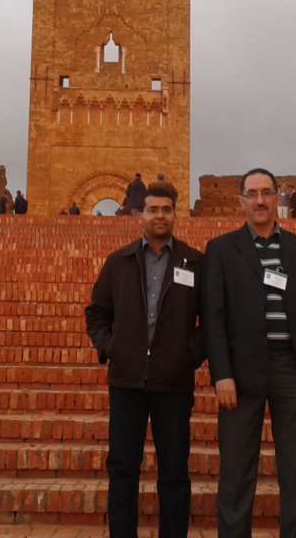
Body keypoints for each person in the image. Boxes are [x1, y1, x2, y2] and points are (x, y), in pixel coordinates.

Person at [202, 167, 296, 538]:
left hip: (293, 369)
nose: (259, 200)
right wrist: (222, 373)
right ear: (241, 201)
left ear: (277, 198)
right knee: (236, 470)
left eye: (266, 193)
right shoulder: (222, 250)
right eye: (252, 194)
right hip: (241, 371)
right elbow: (213, 316)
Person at [86, 180, 205, 538]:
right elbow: (97, 313)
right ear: (140, 215)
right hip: (127, 381)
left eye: (167, 209)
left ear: (175, 214)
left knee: (174, 472)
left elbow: (211, 319)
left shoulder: (194, 262)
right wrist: (111, 347)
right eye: (153, 209)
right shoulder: (118, 262)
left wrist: (189, 355)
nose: (160, 216)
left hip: (173, 382)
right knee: (122, 467)